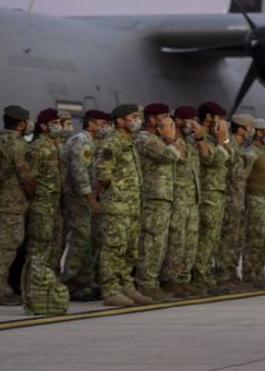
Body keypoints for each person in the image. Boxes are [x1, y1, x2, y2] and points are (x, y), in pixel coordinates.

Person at [94, 104, 146, 307]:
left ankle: (126, 286)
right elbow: (103, 174)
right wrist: (116, 191)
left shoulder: (129, 142)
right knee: (113, 248)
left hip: (132, 207)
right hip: (117, 206)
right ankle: (110, 290)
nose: (137, 120)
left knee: (130, 250)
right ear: (121, 120)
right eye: (133, 117)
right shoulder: (112, 142)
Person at [0, 105, 34, 306]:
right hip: (10, 206)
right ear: (21, 124)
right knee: (5, 250)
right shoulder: (18, 145)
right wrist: (31, 196)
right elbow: (27, 178)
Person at [61, 110, 110, 301]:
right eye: (102, 123)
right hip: (78, 199)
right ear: (91, 124)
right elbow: (79, 172)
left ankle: (85, 282)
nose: (105, 127)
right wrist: (91, 200)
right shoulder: (82, 141)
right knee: (80, 240)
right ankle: (70, 283)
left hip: (85, 198)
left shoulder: (92, 142)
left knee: (88, 241)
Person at [134, 103, 180, 300]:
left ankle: (152, 281)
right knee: (152, 241)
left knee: (159, 241)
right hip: (153, 197)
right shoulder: (146, 139)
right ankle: (146, 283)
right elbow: (171, 155)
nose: (169, 121)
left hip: (163, 197)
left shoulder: (157, 139)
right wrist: (170, 138)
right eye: (164, 117)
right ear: (152, 120)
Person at [163, 106, 202, 294]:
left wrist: (200, 137)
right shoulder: (171, 141)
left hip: (192, 198)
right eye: (190, 120)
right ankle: (170, 278)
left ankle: (184, 277)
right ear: (178, 121)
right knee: (176, 241)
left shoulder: (191, 142)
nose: (193, 125)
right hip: (178, 198)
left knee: (190, 241)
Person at [193, 101, 231, 293]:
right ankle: (200, 278)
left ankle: (206, 275)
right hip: (207, 193)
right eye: (219, 118)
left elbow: (229, 158)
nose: (222, 122)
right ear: (208, 118)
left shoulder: (215, 138)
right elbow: (212, 160)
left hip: (217, 192)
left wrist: (223, 142)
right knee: (206, 237)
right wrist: (221, 141)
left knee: (213, 237)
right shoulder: (201, 137)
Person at [216, 114, 255, 289]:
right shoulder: (229, 145)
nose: (251, 132)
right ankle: (223, 275)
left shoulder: (240, 148)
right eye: (249, 128)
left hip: (239, 200)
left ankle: (232, 273)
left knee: (237, 240)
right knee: (227, 240)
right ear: (240, 129)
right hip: (229, 200)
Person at [25, 109, 67, 270]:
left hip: (56, 204)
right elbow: (29, 178)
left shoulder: (57, 146)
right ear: (43, 126)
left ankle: (49, 284)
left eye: (59, 123)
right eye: (54, 123)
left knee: (56, 245)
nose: (58, 126)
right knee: (39, 245)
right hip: (42, 204)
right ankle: (32, 285)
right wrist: (37, 199)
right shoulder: (37, 147)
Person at [242, 118, 265, 287]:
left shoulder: (262, 152)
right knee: (255, 238)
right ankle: (249, 274)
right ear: (259, 132)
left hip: (264, 200)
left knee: (264, 239)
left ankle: (259, 272)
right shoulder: (251, 153)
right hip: (254, 200)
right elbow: (242, 178)